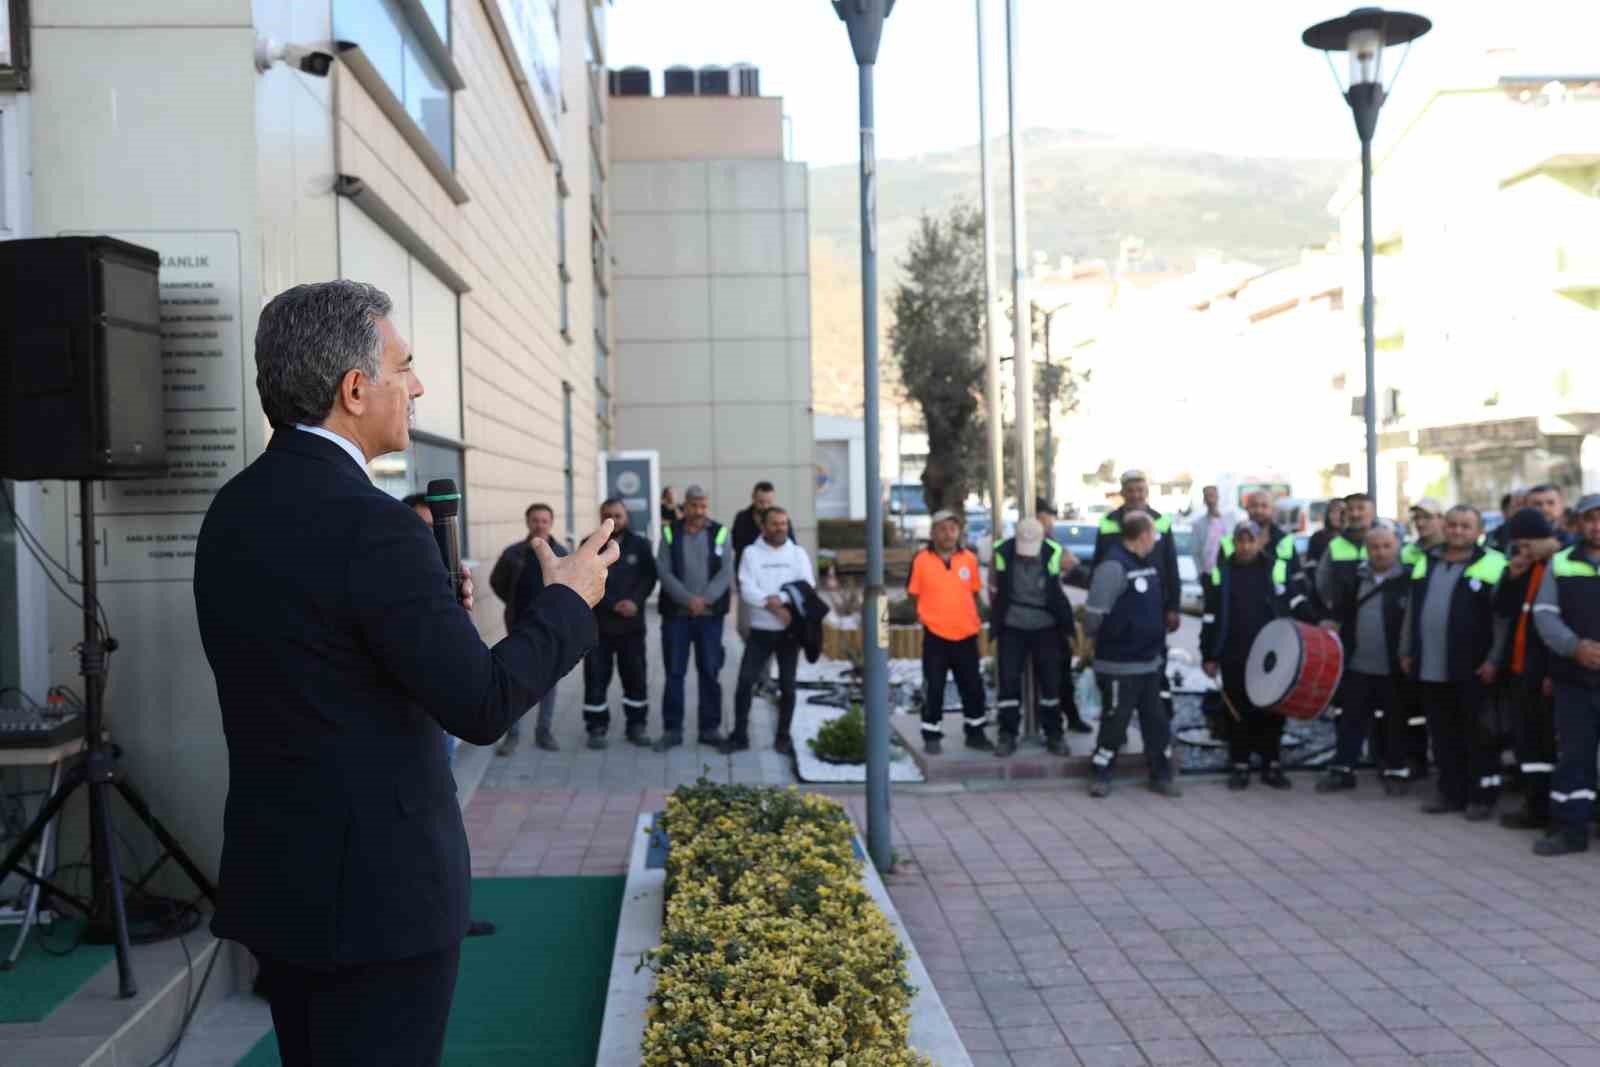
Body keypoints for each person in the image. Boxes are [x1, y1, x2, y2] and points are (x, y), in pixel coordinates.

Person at [194, 280, 614, 1067]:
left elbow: (315, 659)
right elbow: (482, 704)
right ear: (355, 389)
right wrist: (568, 602)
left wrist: (419, 614)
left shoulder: (232, 512)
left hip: (283, 885)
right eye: (405, 365)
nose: (417, 386)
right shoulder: (377, 530)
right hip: (379, 903)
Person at [401, 491, 499, 940]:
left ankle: (449, 913)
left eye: (436, 529)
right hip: (405, 727)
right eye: (421, 529)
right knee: (420, 826)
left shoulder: (442, 583)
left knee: (443, 819)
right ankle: (427, 919)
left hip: (440, 717)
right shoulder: (390, 582)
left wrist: (458, 613)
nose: (431, 540)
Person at [1400, 506, 1509, 820]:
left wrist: (1493, 660)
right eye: (1452, 525)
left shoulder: (1493, 563)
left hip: (1474, 668)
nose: (1458, 531)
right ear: (1444, 527)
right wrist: (1406, 650)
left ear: (1478, 531)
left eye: (1465, 526)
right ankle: (1449, 793)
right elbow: (1412, 612)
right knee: (1442, 734)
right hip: (1432, 665)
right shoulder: (1426, 561)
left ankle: (1481, 797)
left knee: (1478, 734)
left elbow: (1502, 621)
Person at [1083, 512, 1181, 799]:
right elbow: (1092, 619)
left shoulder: (1146, 564)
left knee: (1156, 723)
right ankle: (1101, 774)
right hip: (1119, 665)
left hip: (1149, 662)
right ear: (1143, 536)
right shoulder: (1112, 567)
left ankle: (1161, 775)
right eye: (1153, 535)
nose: (1155, 541)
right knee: (1115, 724)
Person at [1201, 520, 1297, 790]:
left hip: (1271, 655)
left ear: (1259, 542)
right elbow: (1210, 617)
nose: (1244, 546)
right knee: (1237, 711)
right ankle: (1240, 765)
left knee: (1273, 710)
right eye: (1239, 541)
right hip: (1234, 653)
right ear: (1233, 542)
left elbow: (1291, 606)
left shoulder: (1273, 569)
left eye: (1250, 540)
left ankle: (1272, 764)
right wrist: (1208, 655)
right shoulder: (1223, 572)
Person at [1315, 526, 1411, 795]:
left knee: (1395, 721)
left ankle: (1395, 771)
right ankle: (1343, 770)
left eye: (1386, 546)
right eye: (1374, 547)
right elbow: (1340, 614)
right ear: (1366, 550)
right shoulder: (1354, 579)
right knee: (1350, 720)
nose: (1380, 552)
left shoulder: (1409, 580)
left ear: (1397, 547)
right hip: (1357, 665)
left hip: (1394, 667)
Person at [1530, 494, 1600, 855]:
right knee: (1574, 756)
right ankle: (1569, 831)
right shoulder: (1560, 563)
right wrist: (1576, 648)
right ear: (1578, 524)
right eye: (1590, 519)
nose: (1597, 526)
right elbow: (1544, 614)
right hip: (1573, 679)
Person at [1092, 471, 1182, 719]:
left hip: (1154, 606)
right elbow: (1099, 565)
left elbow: (1171, 567)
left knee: (1156, 665)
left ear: (1147, 492)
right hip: (1119, 608)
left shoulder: (1161, 522)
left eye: (1140, 490)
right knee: (1116, 668)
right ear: (1122, 492)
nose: (1135, 495)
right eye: (1131, 490)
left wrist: (1173, 606)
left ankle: (1159, 721)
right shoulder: (1108, 522)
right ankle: (1115, 724)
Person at [726, 506, 814, 755]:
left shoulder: (797, 553)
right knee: (745, 683)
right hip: (761, 630)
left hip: (789, 631)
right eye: (775, 524)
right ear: (763, 527)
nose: (780, 528)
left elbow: (807, 584)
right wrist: (772, 604)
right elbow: (747, 586)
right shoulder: (751, 554)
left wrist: (783, 599)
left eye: (784, 523)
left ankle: (783, 738)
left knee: (788, 687)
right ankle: (739, 736)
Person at [654, 485, 731, 751]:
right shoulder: (669, 531)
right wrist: (688, 600)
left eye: (703, 506)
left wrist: (705, 599)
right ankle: (672, 730)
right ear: (684, 505)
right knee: (675, 672)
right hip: (677, 615)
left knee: (710, 671)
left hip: (710, 616)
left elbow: (725, 572)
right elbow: (663, 570)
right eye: (694, 506)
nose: (699, 511)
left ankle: (709, 729)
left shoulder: (720, 532)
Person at [1496, 507, 1559, 830]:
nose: (1524, 550)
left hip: (1548, 673)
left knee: (1551, 744)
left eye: (1528, 543)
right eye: (1518, 545)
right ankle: (1534, 806)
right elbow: (1503, 610)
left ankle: (1553, 809)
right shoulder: (1527, 568)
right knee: (1529, 744)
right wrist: (1512, 576)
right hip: (1521, 671)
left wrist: (1552, 671)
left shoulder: (1560, 566)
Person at [990, 518, 1075, 757]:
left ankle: (1054, 734)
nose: (1027, 556)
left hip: (1046, 625)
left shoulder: (1053, 551)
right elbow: (996, 585)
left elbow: (1057, 585)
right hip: (1012, 625)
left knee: (1050, 682)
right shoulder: (1003, 551)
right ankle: (1007, 734)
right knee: (1008, 682)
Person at [909, 510, 992, 754]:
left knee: (972, 686)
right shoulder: (921, 560)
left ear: (959, 532)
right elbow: (913, 594)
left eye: (953, 529)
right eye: (943, 529)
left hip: (966, 634)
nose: (948, 534)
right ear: (933, 532)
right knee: (934, 686)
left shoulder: (970, 560)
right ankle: (931, 734)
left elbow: (974, 592)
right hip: (935, 635)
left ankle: (975, 732)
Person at [582, 497, 657, 749]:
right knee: (595, 677)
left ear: (626, 517)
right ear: (601, 518)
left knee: (635, 676)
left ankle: (636, 725)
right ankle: (596, 727)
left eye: (618, 515)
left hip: (632, 625)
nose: (614, 520)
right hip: (598, 626)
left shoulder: (641, 545)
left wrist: (635, 601)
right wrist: (612, 603)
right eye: (608, 515)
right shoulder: (588, 545)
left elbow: (649, 577)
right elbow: (585, 580)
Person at [494, 504, 567, 754]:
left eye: (544, 520)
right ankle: (512, 735)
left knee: (548, 681)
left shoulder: (561, 553)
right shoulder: (513, 553)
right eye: (535, 520)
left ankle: (543, 732)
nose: (539, 525)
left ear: (551, 523)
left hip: (550, 629)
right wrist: (513, 603)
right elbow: (497, 582)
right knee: (515, 681)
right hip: (519, 626)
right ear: (527, 522)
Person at [1036, 499, 1093, 734]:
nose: (1051, 522)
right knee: (1050, 675)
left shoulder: (1051, 544)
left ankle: (1069, 716)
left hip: (1053, 620)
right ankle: (1052, 723)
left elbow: (1067, 571)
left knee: (1062, 673)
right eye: (1046, 516)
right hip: (1039, 622)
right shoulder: (1033, 546)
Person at [1194, 485, 1229, 576]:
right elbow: (1196, 550)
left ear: (1218, 497)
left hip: (1226, 570)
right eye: (1207, 496)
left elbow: (1231, 545)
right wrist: (1200, 571)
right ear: (1204, 500)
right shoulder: (1198, 524)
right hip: (1207, 572)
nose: (1210, 500)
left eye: (1212, 496)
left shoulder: (1228, 520)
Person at [1305, 498, 1346, 565]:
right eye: (1333, 512)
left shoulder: (1354, 536)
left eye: (1341, 512)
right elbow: (1311, 564)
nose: (1337, 516)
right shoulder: (1317, 537)